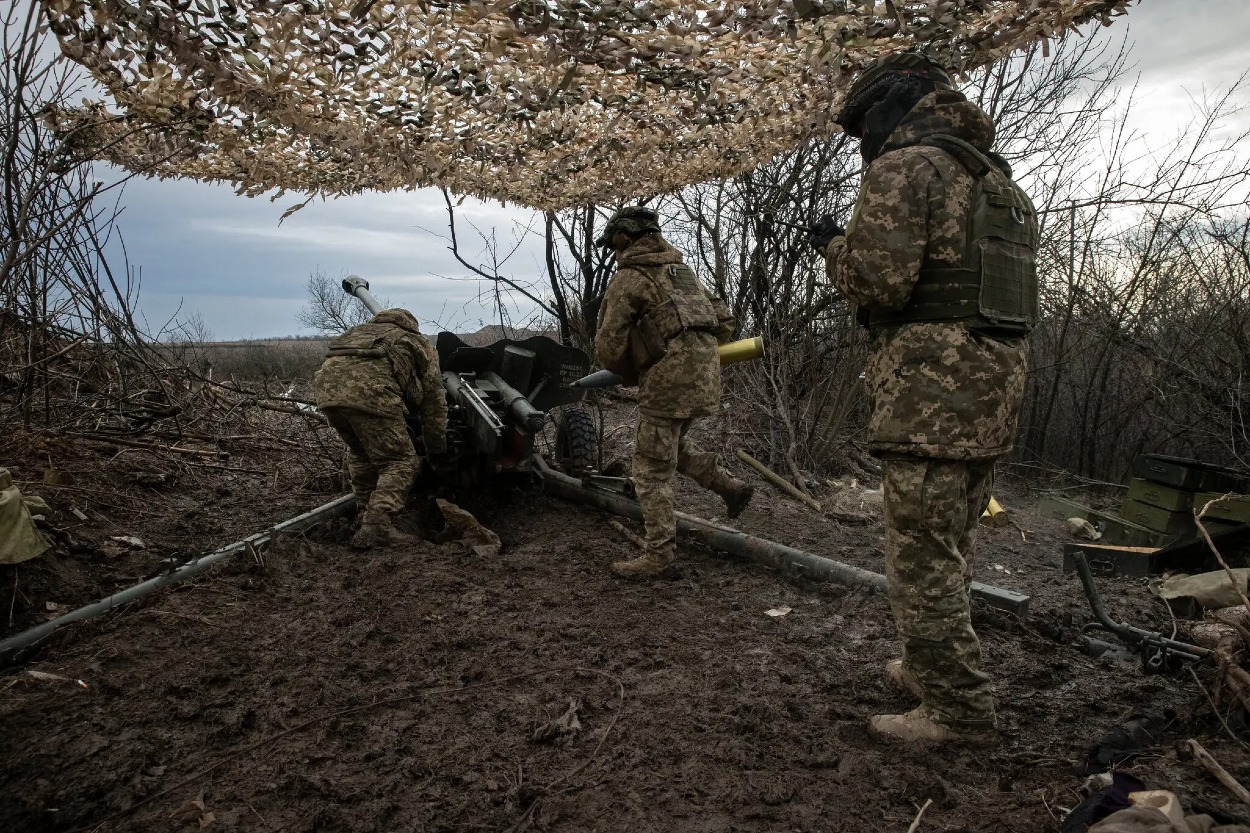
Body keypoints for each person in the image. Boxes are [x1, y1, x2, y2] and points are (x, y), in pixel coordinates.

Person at [810, 53, 1038, 745]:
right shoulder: (994, 179)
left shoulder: (908, 167)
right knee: (952, 541)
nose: (863, 144)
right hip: (989, 398)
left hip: (929, 399)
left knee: (921, 558)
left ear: (889, 110)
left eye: (863, 129)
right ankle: (925, 668)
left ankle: (959, 710)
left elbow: (880, 282)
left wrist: (832, 248)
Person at [595, 206, 755, 578]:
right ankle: (728, 486)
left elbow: (608, 349)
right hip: (705, 381)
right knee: (670, 446)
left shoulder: (630, 279)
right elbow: (725, 319)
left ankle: (659, 556)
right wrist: (695, 354)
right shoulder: (682, 274)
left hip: (667, 385)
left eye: (614, 245)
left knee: (650, 470)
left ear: (622, 238)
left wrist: (638, 366)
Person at [314, 308, 449, 549]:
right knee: (401, 461)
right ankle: (378, 526)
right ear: (411, 324)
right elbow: (433, 402)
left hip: (327, 395)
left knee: (361, 455)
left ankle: (364, 516)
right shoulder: (416, 341)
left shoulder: (357, 332)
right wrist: (437, 449)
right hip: (372, 397)